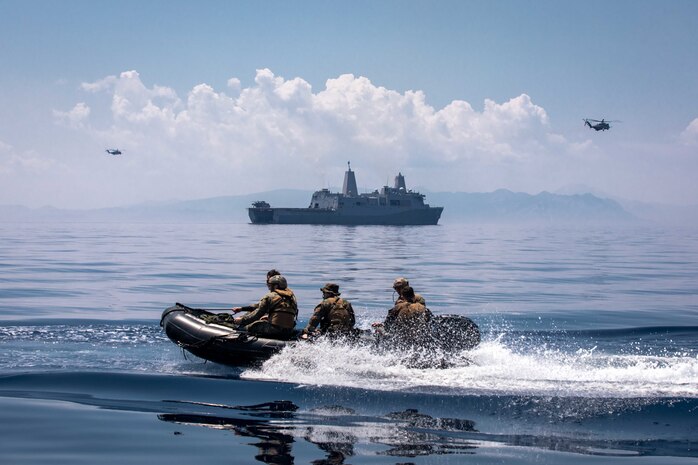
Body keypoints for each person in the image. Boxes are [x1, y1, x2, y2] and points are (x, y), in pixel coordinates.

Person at [233, 274, 298, 339]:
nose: (269, 288)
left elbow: (257, 314)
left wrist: (242, 320)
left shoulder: (270, 296)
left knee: (250, 326)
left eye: (269, 286)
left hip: (275, 330)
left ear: (275, 286)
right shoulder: (292, 298)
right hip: (289, 331)